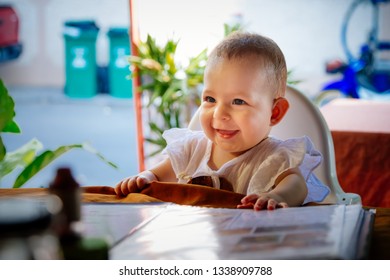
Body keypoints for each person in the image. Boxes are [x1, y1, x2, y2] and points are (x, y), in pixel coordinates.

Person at [115, 32, 330, 210]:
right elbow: (156, 177)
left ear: (274, 113)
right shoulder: (192, 149)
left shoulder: (274, 157)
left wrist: (276, 196)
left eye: (238, 101)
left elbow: (296, 186)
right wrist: (142, 178)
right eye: (210, 99)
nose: (219, 113)